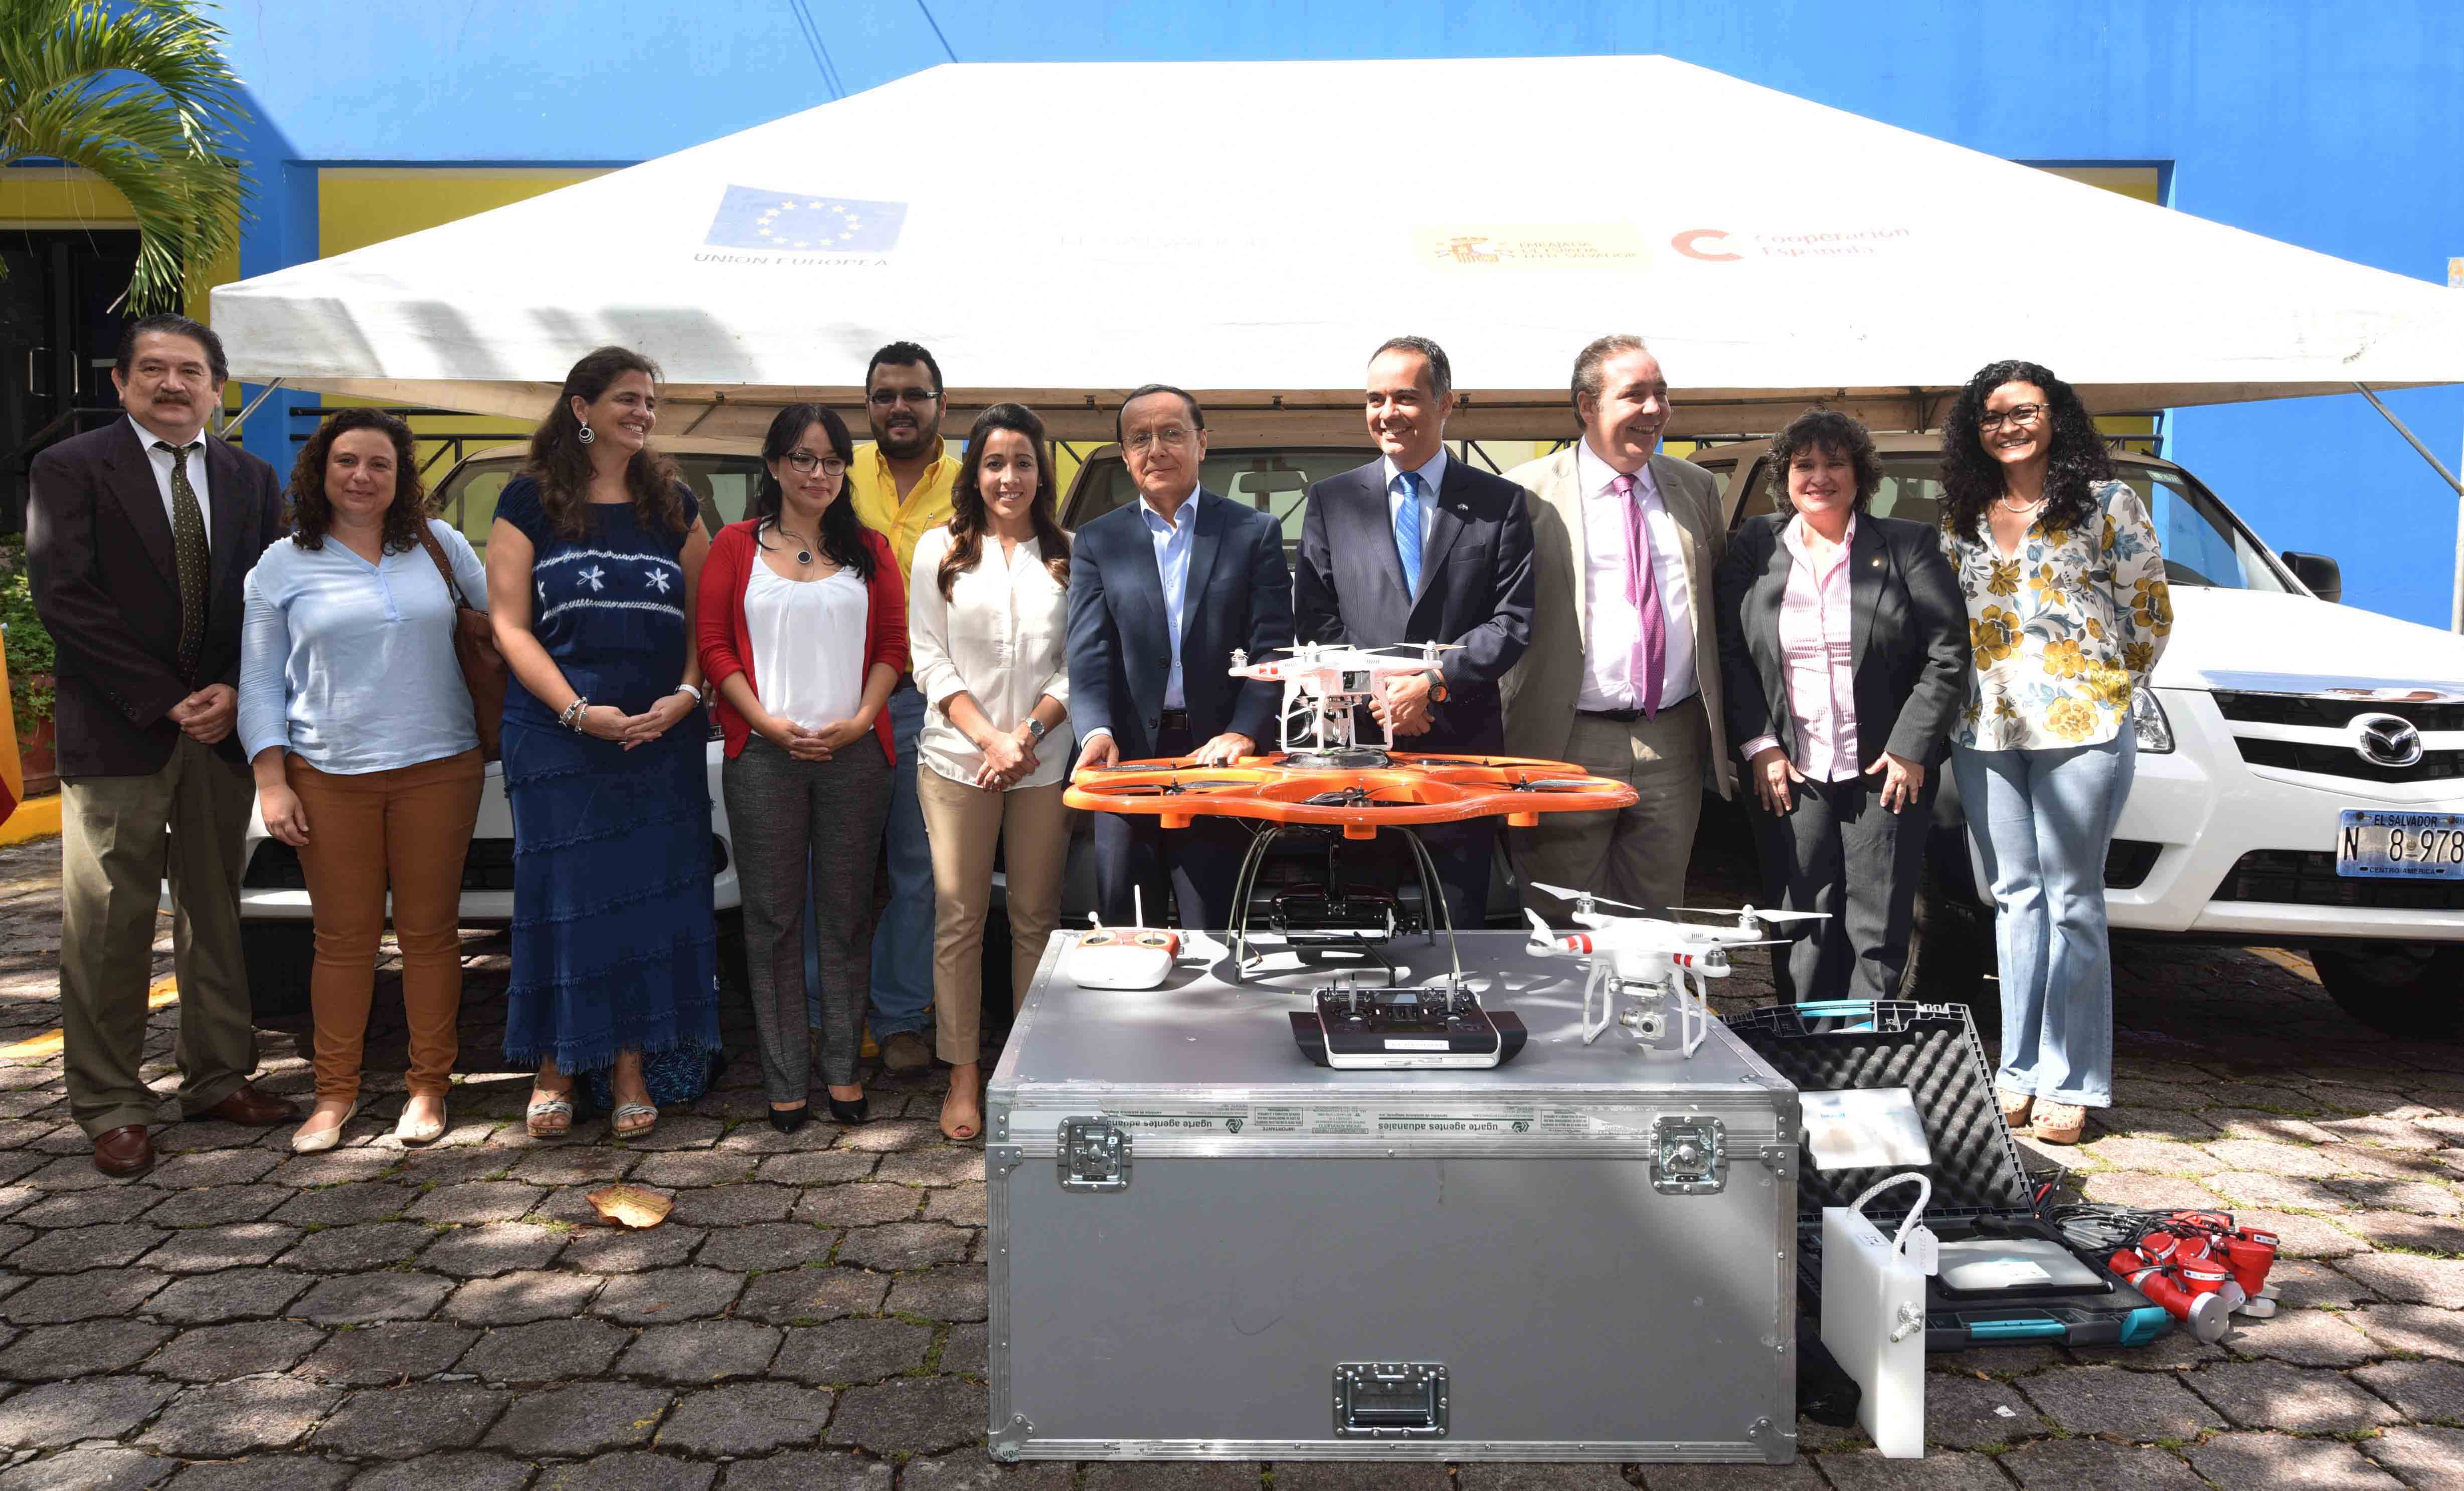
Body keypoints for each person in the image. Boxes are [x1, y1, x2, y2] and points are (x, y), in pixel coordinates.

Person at [28, 313, 299, 1177]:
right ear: (121, 382)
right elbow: (65, 597)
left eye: (191, 370)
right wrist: (163, 698)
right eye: (153, 369)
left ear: (217, 388)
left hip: (219, 729)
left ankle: (218, 1076)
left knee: (216, 911)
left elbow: (267, 596)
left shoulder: (252, 476)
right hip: (120, 729)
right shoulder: (71, 467)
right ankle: (111, 1101)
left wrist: (234, 688)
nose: (172, 384)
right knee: (110, 922)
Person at [486, 346, 721, 1141]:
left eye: (650, 401)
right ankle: (555, 1066)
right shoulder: (527, 500)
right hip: (558, 740)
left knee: (643, 903)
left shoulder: (673, 504)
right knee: (565, 901)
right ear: (580, 408)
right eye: (627, 398)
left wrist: (686, 693)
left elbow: (708, 616)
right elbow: (510, 626)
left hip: (659, 741)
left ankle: (628, 1067)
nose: (642, 413)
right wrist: (577, 710)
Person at [239, 409, 489, 1153]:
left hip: (439, 767)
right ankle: (334, 1093)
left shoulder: (440, 545)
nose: (362, 476)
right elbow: (260, 682)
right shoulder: (281, 563)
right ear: (320, 470)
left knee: (430, 934)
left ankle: (428, 1086)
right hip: (327, 774)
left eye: (380, 463)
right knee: (342, 940)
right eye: (346, 460)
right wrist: (272, 780)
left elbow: (502, 628)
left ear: (401, 476)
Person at [1937, 359, 2172, 1146]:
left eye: (2023, 411)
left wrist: (2102, 687)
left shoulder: (2107, 503)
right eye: (1991, 415)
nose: (2007, 426)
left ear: (2054, 417)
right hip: (1984, 730)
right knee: (2014, 897)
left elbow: (2148, 613)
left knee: (2073, 901)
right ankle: (2016, 1069)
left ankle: (2070, 1079)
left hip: (2081, 727)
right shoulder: (1962, 515)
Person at [697, 405, 904, 1131]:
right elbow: (714, 645)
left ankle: (843, 1069)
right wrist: (762, 721)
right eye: (804, 458)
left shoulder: (871, 549)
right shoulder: (735, 545)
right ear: (774, 464)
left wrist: (860, 720)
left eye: (833, 460)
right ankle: (785, 1079)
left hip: (855, 756)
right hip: (764, 756)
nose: (819, 473)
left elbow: (893, 646)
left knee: (846, 917)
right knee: (772, 919)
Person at [1714, 409, 1966, 1004]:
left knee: (1878, 925)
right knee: (1799, 918)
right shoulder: (1756, 546)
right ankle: (1806, 1045)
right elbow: (1731, 653)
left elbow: (1949, 653)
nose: (1819, 477)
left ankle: (1864, 1048)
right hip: (1791, 770)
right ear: (1785, 477)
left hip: (1885, 770)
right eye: (1805, 465)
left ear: (1861, 475)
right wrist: (1761, 745)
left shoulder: (1907, 545)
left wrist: (1911, 747)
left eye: (1836, 463)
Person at [1294, 335, 1533, 927]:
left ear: (1445, 403)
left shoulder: (1499, 502)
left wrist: (1432, 683)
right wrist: (1382, 697)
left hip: (1461, 746)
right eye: (1374, 399)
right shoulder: (1331, 501)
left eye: (1404, 397)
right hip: (1360, 746)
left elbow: (1512, 620)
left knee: (1459, 925)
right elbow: (1317, 620)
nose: (1387, 413)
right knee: (1364, 920)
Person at [1502, 335, 1734, 919]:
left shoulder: (1696, 487)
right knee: (1563, 920)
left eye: (1662, 394)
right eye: (1635, 395)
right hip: (1566, 740)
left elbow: (1719, 601)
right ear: (1588, 406)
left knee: (1656, 920)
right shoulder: (1526, 493)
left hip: (1672, 737)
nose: (1654, 409)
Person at [1067, 384, 1293, 929]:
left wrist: (1245, 731)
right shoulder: (1097, 541)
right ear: (1125, 455)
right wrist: (1094, 731)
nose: (1156, 450)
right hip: (1126, 760)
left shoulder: (1253, 532)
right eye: (1140, 438)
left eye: (1172, 433)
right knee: (1127, 929)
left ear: (1202, 443)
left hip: (1219, 759)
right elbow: (1088, 652)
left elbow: (1273, 646)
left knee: (1215, 929)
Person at [908, 404, 1075, 1142]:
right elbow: (927, 655)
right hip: (956, 761)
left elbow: (1079, 663)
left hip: (1042, 761)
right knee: (960, 918)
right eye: (995, 463)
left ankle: (1031, 1068)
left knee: (1036, 917)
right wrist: (988, 739)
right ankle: (963, 1073)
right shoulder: (939, 548)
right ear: (974, 473)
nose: (1010, 477)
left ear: (1043, 472)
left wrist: (1026, 734)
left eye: (1023, 463)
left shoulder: (1070, 553)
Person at [845, 342, 954, 1078]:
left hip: (926, 699)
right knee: (834, 869)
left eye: (914, 394)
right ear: (868, 405)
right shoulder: (834, 470)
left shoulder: (973, 482)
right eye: (885, 395)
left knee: (919, 869)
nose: (899, 408)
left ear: (941, 403)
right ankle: (827, 1017)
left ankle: (900, 1014)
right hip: (835, 701)